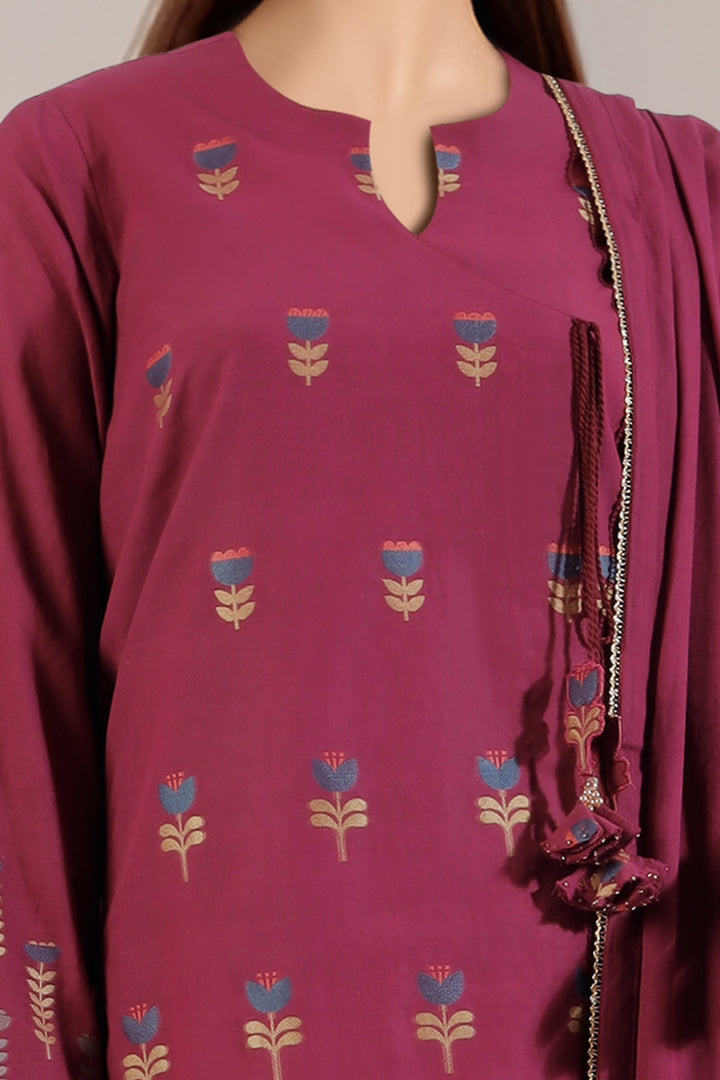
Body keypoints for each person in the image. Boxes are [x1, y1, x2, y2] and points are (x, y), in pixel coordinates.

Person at [0, 2, 717, 1078]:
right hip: (212, 1008)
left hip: (589, 1004)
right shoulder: (77, 161)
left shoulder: (675, 193)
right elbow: (18, 681)